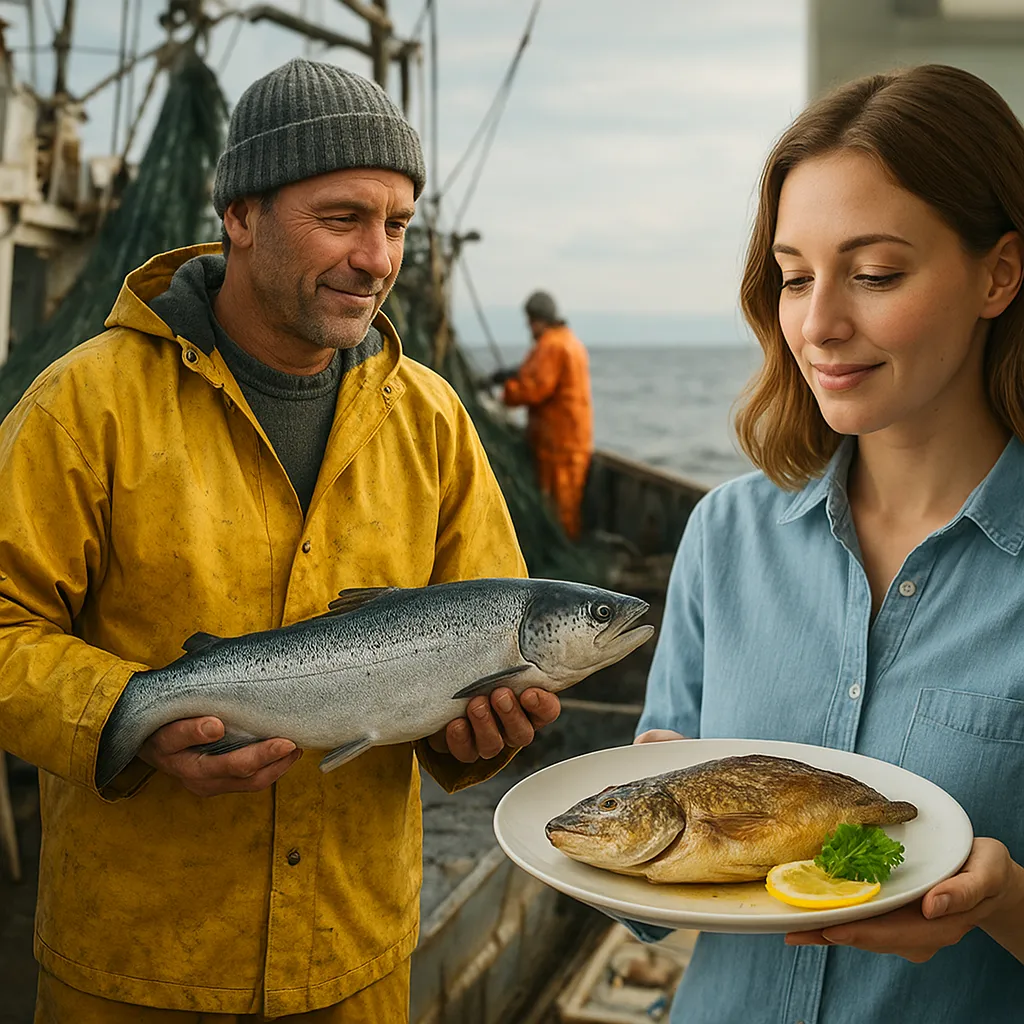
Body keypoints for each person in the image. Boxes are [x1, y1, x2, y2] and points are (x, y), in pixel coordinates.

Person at [0, 59, 561, 1022]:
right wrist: (126, 716)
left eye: (397, 225)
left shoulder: (431, 420)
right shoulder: (85, 406)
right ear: (241, 216)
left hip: (357, 965)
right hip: (135, 973)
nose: (377, 258)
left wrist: (480, 738)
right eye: (342, 218)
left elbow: (489, 641)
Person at [629, 64, 1024, 1021]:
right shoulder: (725, 535)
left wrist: (1005, 904)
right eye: (795, 277)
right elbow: (645, 896)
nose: (818, 325)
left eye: (875, 274)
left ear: (999, 274)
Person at [490, 291, 593, 540]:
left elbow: (534, 388)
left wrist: (506, 392)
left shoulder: (552, 345)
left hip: (560, 444)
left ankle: (564, 550)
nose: (528, 327)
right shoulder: (569, 341)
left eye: (530, 320)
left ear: (538, 319)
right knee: (564, 504)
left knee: (561, 509)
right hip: (571, 440)